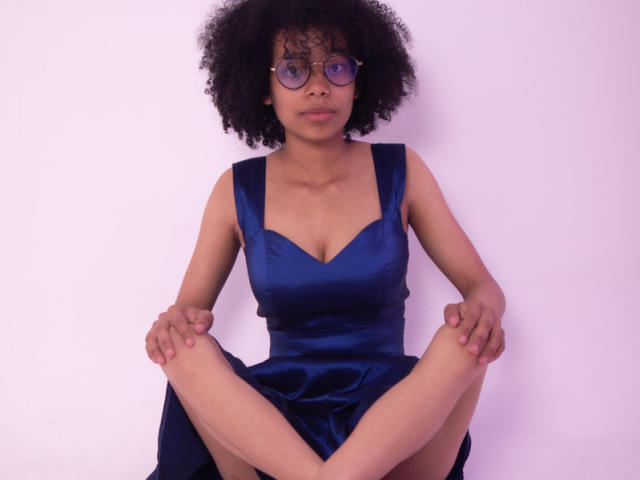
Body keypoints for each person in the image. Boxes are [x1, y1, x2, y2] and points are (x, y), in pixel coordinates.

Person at [144, 0, 506, 479]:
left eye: (336, 67)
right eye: (294, 70)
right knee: (183, 349)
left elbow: (483, 288)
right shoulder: (235, 190)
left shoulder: (403, 170)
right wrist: (172, 326)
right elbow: (188, 315)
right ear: (264, 87)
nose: (319, 86)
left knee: (464, 341)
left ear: (358, 80)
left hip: (393, 426)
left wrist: (482, 311)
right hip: (274, 432)